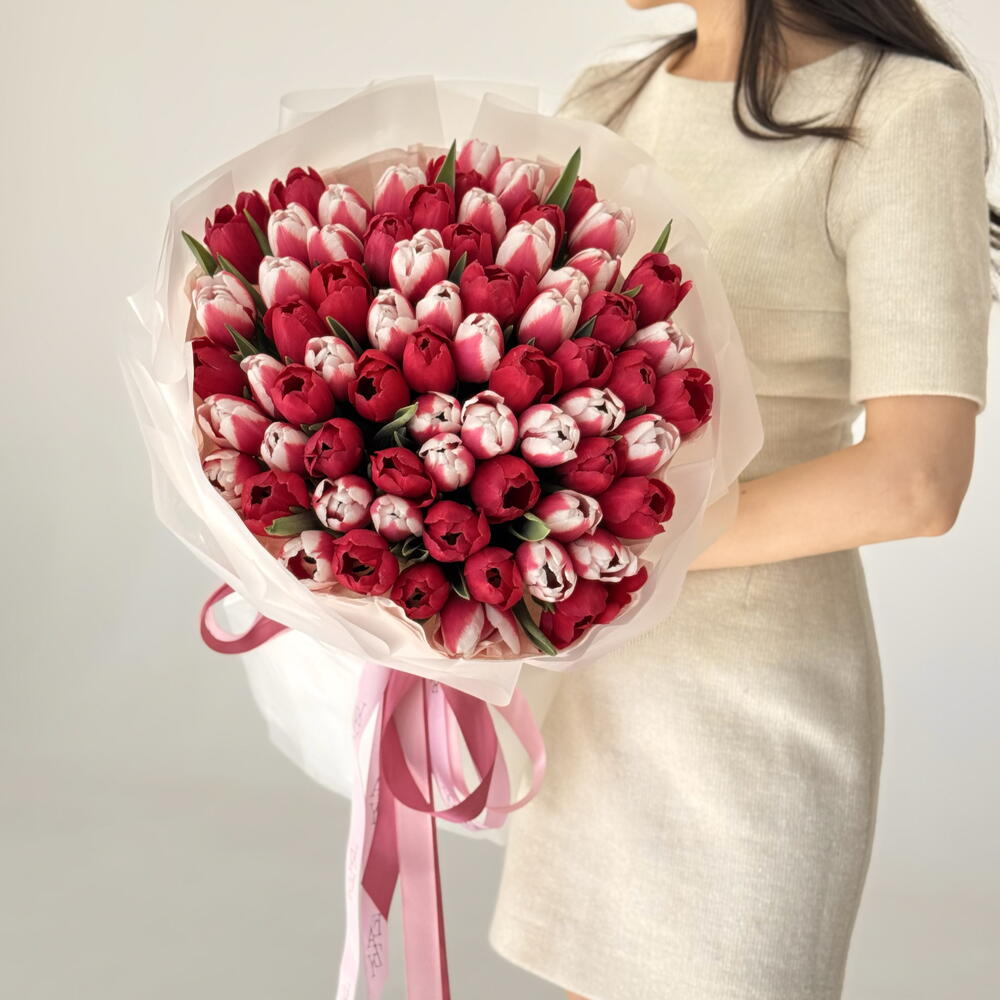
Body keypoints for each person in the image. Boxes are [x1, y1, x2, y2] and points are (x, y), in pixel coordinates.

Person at [487, 2, 997, 998]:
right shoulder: (611, 93)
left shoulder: (903, 109)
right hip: (592, 693)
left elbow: (916, 481)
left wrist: (605, 553)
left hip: (747, 710)